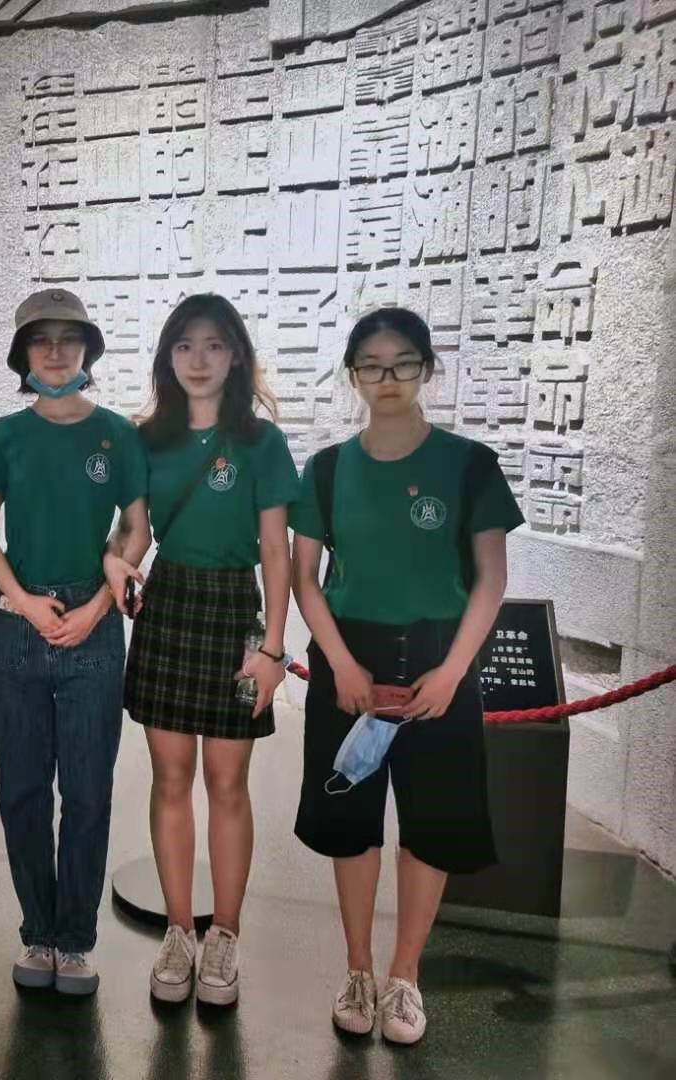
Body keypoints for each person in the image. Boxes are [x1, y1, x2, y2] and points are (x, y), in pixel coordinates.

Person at [290, 308, 523, 1044]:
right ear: (352, 375)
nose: (386, 378)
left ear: (426, 368)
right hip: (349, 657)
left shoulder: (470, 463)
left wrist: (453, 671)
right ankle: (358, 969)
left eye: (402, 363)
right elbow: (305, 579)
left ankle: (405, 976)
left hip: (440, 658)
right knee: (350, 823)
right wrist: (340, 664)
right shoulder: (327, 469)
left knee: (432, 823)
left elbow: (490, 579)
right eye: (371, 364)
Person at [116, 294, 298, 1005]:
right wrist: (113, 563)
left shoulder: (261, 442)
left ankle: (224, 932)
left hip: (231, 608)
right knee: (169, 779)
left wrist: (274, 648)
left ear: (236, 356)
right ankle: (178, 930)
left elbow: (276, 552)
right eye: (185, 345)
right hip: (169, 604)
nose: (198, 359)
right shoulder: (145, 439)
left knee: (227, 782)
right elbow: (132, 533)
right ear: (167, 356)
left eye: (214, 345)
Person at [0, 288, 150, 996]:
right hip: (19, 623)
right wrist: (20, 601)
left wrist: (101, 604)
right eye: (40, 340)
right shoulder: (3, 436)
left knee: (87, 790)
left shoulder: (117, 434)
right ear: (23, 354)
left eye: (67, 339)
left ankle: (74, 940)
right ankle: (37, 931)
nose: (54, 351)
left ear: (86, 350)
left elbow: (136, 527)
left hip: (93, 629)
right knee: (20, 787)